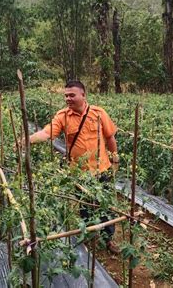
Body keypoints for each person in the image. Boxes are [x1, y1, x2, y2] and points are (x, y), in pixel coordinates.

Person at [28, 80, 120, 254]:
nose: (68, 99)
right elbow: (47, 133)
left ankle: (108, 239)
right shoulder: (63, 116)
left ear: (83, 95)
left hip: (102, 169)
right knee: (85, 207)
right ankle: (89, 235)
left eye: (72, 95)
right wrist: (28, 139)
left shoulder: (99, 113)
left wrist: (115, 157)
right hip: (79, 172)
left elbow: (110, 137)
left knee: (105, 206)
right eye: (66, 96)